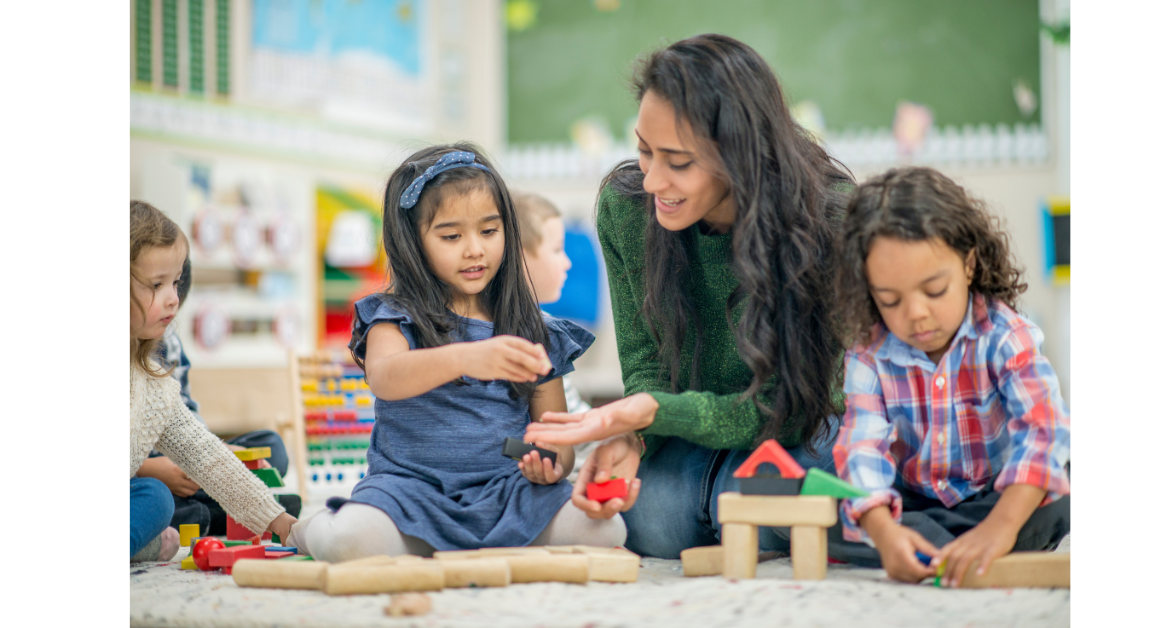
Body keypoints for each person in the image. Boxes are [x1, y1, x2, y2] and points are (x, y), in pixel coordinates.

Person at [525, 34, 852, 558]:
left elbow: (789, 406)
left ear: (741, 157)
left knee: (832, 485)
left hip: (797, 430)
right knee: (654, 520)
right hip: (689, 435)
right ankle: (734, 510)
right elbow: (647, 365)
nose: (653, 180)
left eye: (678, 162)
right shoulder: (626, 208)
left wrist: (648, 414)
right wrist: (634, 437)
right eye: (643, 150)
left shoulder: (827, 217)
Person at [289, 145, 626, 562]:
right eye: (451, 236)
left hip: (507, 492)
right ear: (414, 243)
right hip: (409, 490)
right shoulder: (393, 316)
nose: (475, 250)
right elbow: (386, 377)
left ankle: (445, 545)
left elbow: (556, 442)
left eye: (489, 231)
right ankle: (309, 528)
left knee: (607, 529)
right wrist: (466, 357)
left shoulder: (535, 329)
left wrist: (547, 462)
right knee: (347, 542)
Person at [828, 167, 1071, 586]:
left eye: (934, 290)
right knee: (830, 513)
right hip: (915, 500)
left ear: (970, 264)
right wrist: (884, 533)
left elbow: (1044, 432)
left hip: (999, 494)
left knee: (1057, 497)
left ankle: (968, 540)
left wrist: (1001, 526)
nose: (916, 313)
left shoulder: (1004, 337)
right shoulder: (869, 355)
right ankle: (930, 544)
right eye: (890, 300)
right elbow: (862, 448)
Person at [129, 201, 297, 561]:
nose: (174, 299)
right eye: (157, 285)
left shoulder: (152, 385)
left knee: (154, 499)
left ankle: (152, 540)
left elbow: (205, 456)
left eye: (175, 282)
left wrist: (279, 521)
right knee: (156, 498)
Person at [511, 191, 596, 481]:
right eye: (558, 249)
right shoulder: (532, 332)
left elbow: (576, 426)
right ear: (518, 258)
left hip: (580, 456)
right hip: (570, 471)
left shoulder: (545, 327)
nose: (568, 263)